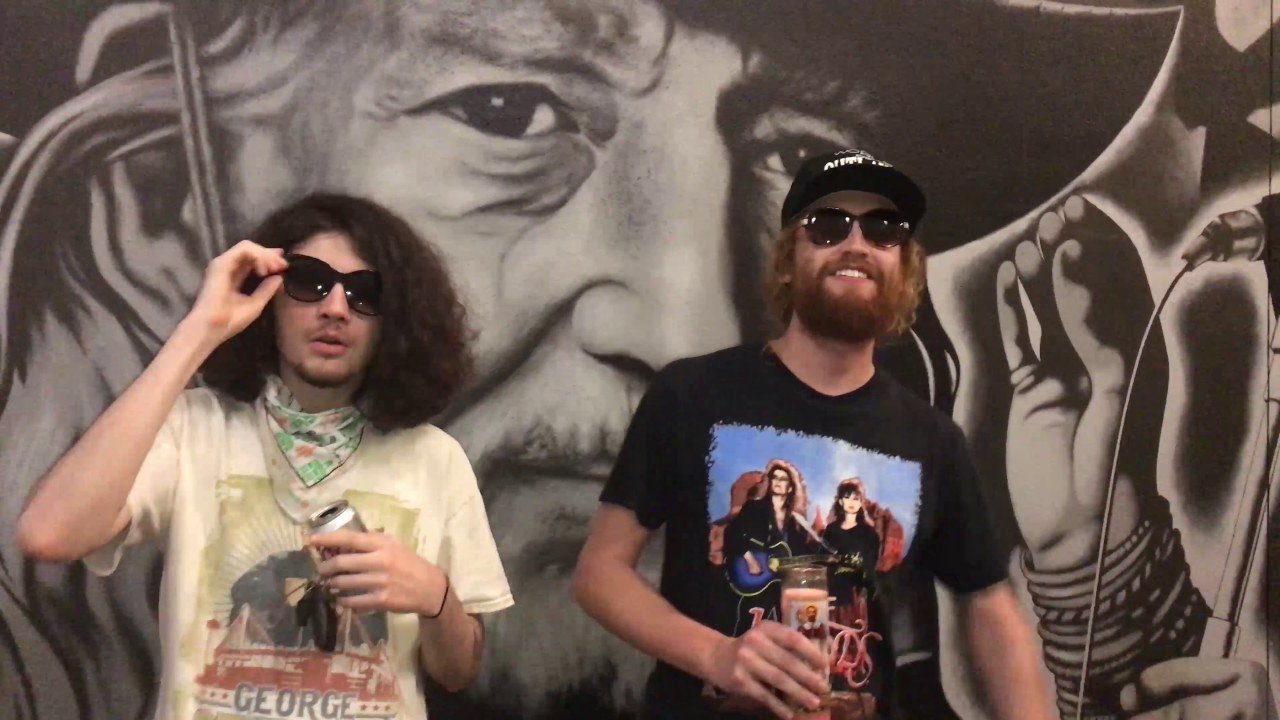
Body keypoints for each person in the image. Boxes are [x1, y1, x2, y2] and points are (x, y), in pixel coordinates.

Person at [573, 149, 1055, 719]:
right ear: (787, 260)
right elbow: (599, 574)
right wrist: (716, 655)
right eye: (828, 225)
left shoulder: (933, 442)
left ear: (904, 270)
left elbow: (990, 606)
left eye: (883, 230)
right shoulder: (691, 393)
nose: (856, 244)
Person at [16, 192, 513, 720]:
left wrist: (434, 595)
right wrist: (199, 332)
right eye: (309, 282)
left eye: (365, 293)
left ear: (394, 321)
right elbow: (50, 534)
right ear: (268, 298)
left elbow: (458, 672)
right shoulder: (196, 428)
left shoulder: (435, 459)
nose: (335, 308)